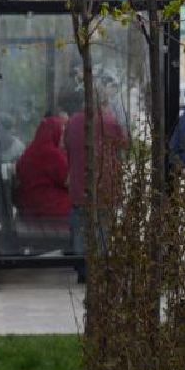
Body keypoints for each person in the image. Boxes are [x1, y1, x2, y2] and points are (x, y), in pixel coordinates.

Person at [63, 88, 128, 267]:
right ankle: (100, 268)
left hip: (79, 187)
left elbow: (66, 147)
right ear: (102, 103)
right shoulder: (109, 122)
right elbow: (124, 144)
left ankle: (81, 268)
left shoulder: (72, 122)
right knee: (103, 231)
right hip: (105, 187)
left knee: (80, 229)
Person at [15, 114, 71, 219]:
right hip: (50, 208)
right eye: (62, 133)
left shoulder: (32, 149)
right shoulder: (51, 153)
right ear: (55, 133)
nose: (63, 137)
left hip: (30, 205)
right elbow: (70, 182)